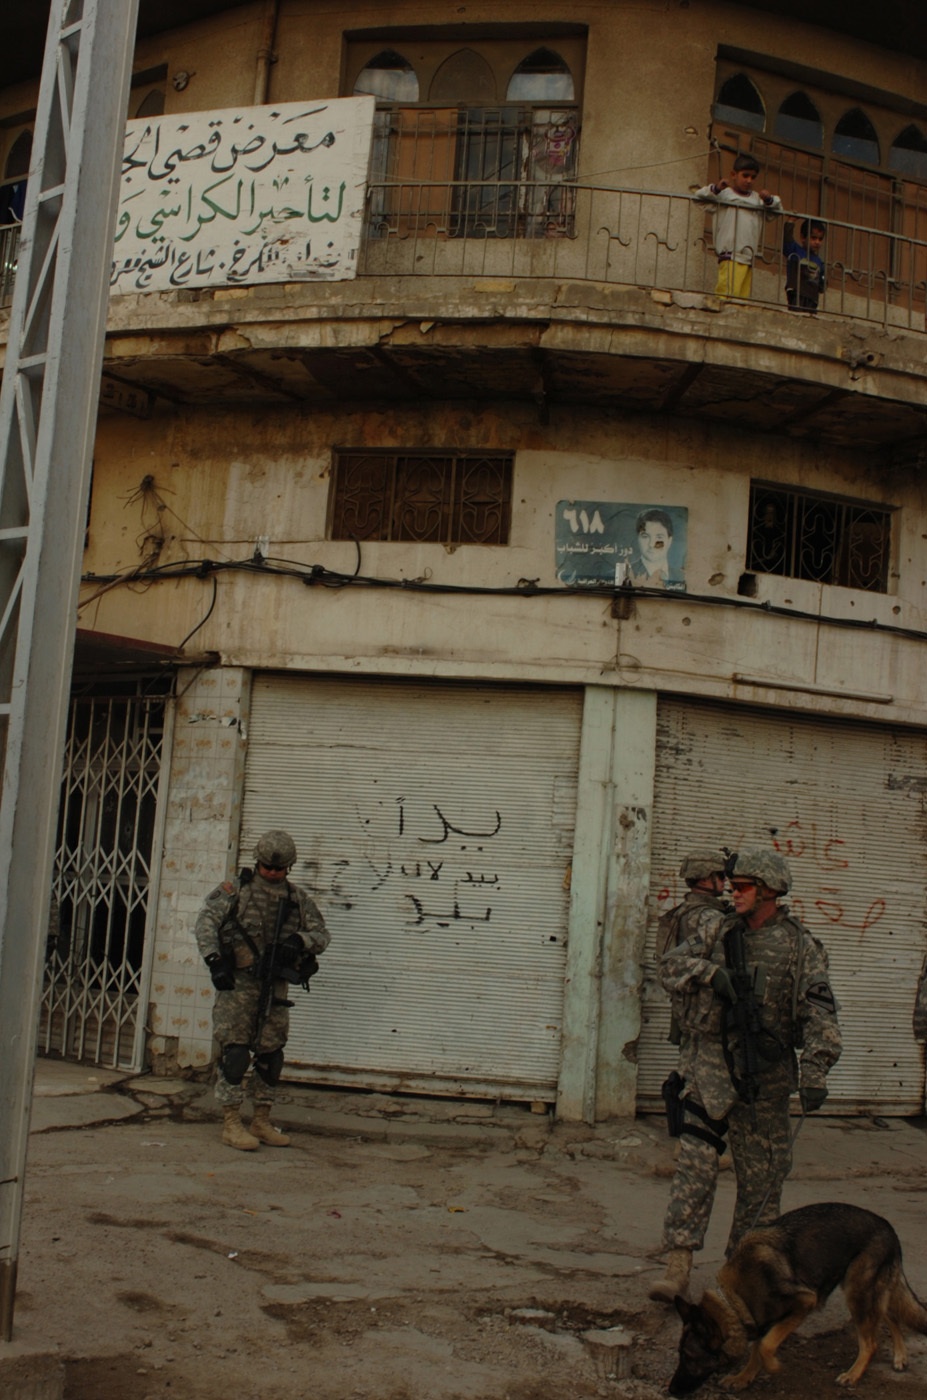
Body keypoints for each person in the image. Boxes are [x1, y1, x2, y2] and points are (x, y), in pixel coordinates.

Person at [648, 849, 841, 1304]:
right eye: (732, 887)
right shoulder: (715, 928)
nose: (732, 894)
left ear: (769, 892)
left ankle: (737, 1278)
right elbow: (668, 967)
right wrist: (710, 971)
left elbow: (820, 1014)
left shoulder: (801, 947)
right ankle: (677, 1266)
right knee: (694, 1167)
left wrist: (815, 1070)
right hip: (710, 1066)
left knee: (761, 1186)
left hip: (766, 1077)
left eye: (743, 888)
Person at [195, 828, 330, 1151]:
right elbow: (206, 924)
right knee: (236, 1054)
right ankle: (231, 1123)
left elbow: (321, 935)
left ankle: (261, 1120)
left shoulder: (297, 900)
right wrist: (215, 962)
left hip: (275, 988)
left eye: (279, 869)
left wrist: (300, 940)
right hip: (238, 985)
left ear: (288, 868)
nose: (272, 873)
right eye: (267, 867)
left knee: (271, 1055)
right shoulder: (235, 891)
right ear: (257, 863)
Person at [694, 153, 782, 300]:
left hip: (747, 257)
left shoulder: (756, 199)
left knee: (741, 301)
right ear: (733, 175)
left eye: (753, 177)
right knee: (726, 298)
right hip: (730, 255)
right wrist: (715, 189)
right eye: (745, 175)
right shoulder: (724, 195)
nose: (749, 180)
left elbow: (776, 212)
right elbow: (698, 199)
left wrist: (769, 200)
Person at [783, 218, 826, 311]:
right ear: (803, 238)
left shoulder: (819, 261)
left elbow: (822, 282)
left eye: (820, 239)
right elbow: (787, 240)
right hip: (797, 294)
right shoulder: (795, 251)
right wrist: (790, 223)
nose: (817, 242)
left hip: (812, 298)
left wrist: (823, 284)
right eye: (813, 238)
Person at [630, 508, 675, 587]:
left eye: (659, 537)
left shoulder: (682, 576)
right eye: (645, 536)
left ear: (669, 541)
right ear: (637, 538)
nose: (651, 544)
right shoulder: (625, 573)